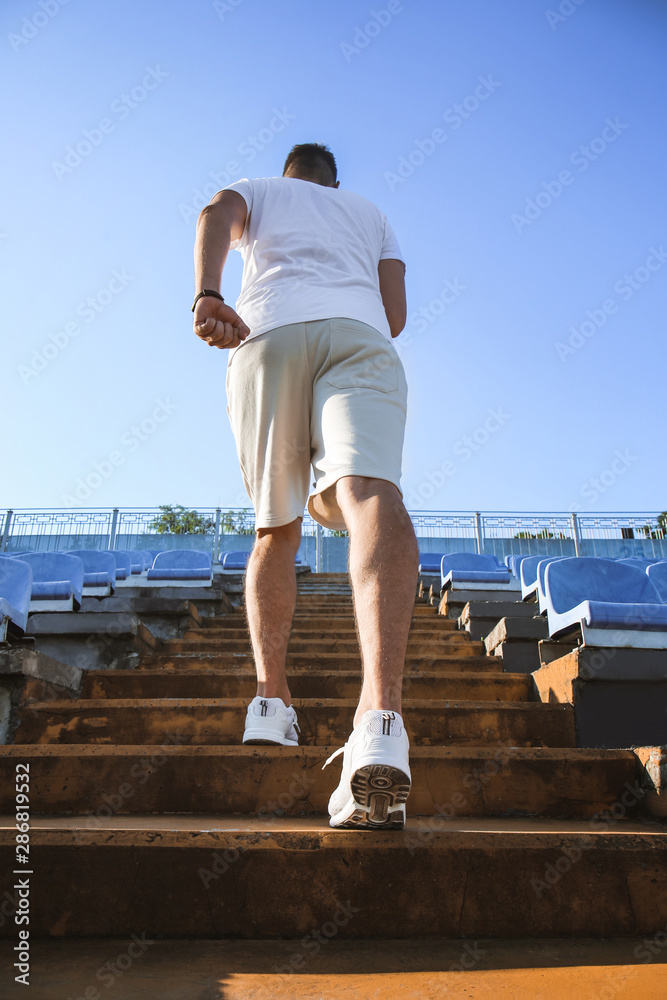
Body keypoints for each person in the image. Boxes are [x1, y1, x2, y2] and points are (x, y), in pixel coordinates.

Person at [192, 142, 418, 829]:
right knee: (370, 491)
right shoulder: (370, 213)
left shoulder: (257, 190)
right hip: (358, 334)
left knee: (275, 527)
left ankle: (270, 701)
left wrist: (208, 294)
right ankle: (380, 719)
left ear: (290, 173)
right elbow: (395, 313)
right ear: (334, 180)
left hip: (267, 335)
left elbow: (213, 212)